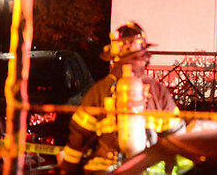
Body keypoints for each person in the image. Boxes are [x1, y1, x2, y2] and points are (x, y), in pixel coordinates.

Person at [58, 22, 182, 173]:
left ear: (114, 57)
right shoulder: (158, 91)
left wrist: (67, 168)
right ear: (144, 56)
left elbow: (78, 136)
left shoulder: (98, 91)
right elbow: (177, 138)